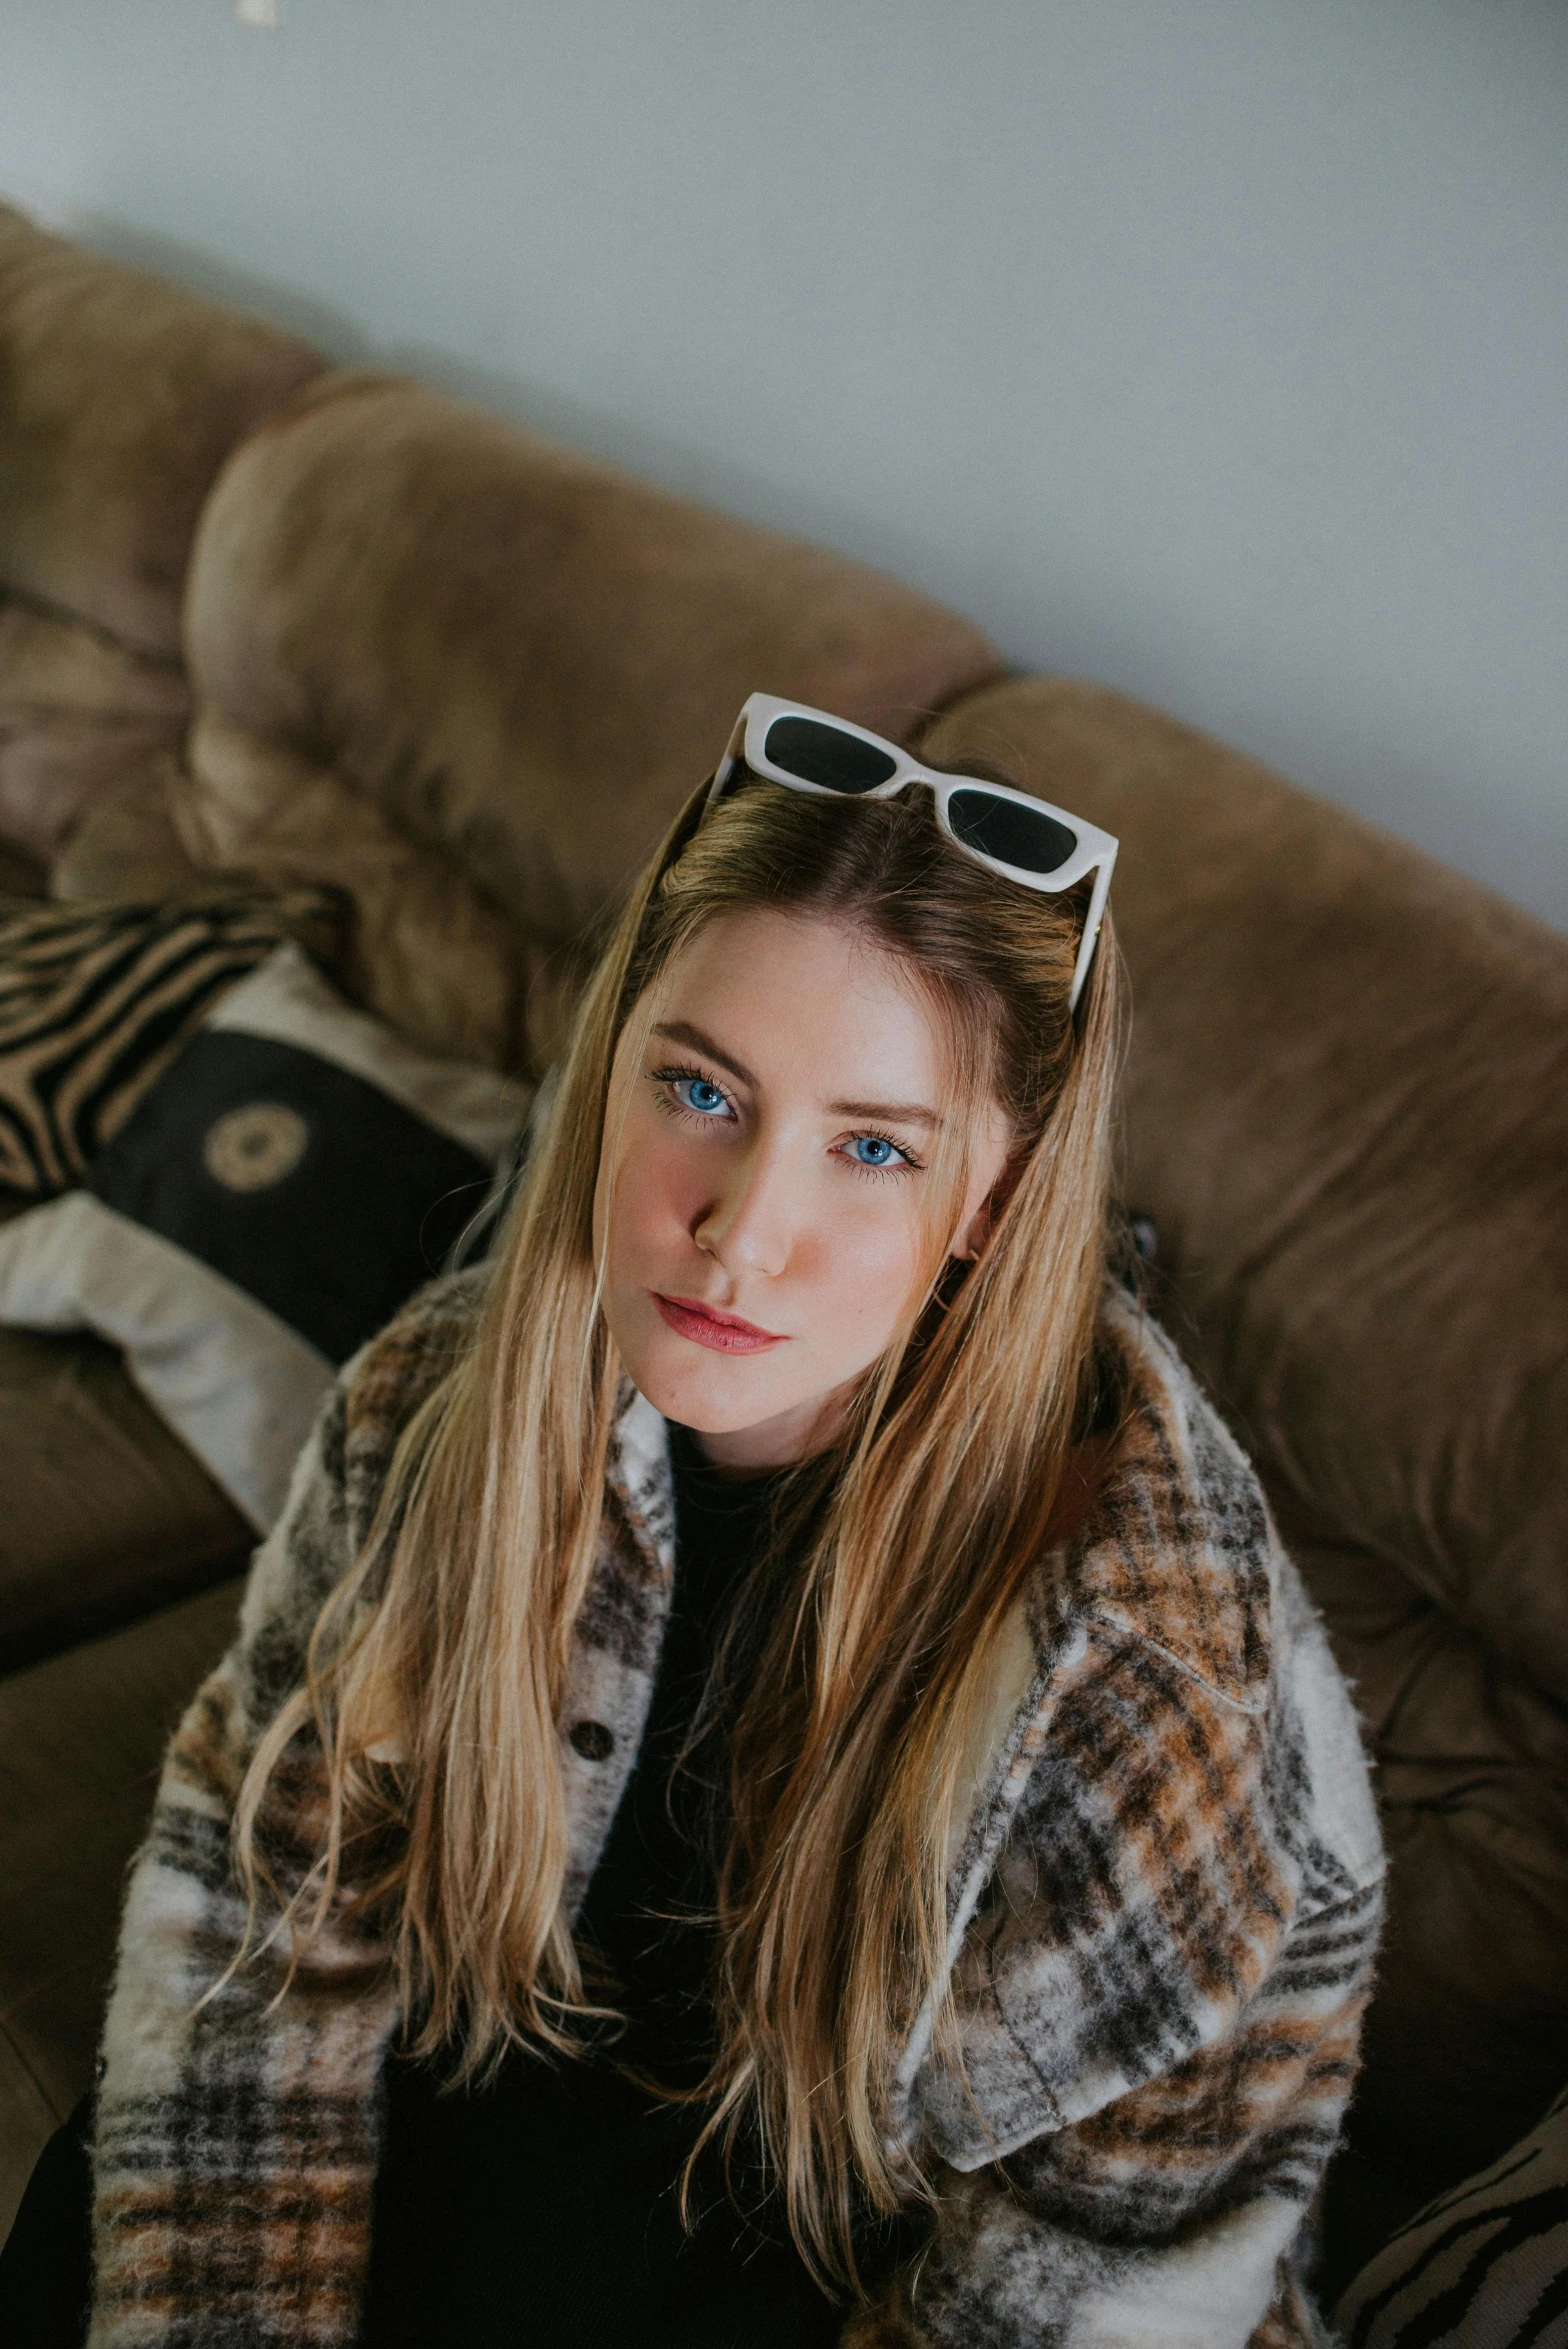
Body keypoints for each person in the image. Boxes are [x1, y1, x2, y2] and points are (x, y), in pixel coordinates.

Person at [13, 695, 1384, 2346]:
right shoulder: (433, 1403)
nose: (740, 1240)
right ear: (610, 1070)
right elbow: (253, 1891)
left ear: (998, 1199)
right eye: (704, 1094)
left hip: (841, 2237)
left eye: (872, 1146)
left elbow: (1106, 2268)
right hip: (510, 2080)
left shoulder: (1143, 1677)